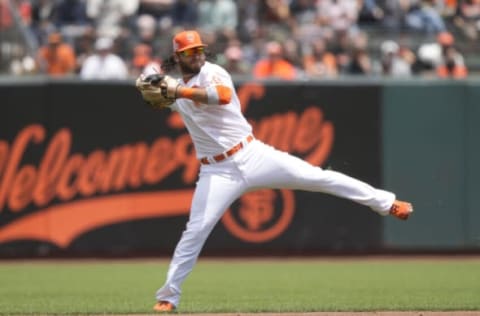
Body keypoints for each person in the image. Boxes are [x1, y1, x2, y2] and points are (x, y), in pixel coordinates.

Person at [135, 30, 413, 313]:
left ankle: (387, 203)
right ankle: (168, 297)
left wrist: (176, 90)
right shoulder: (176, 88)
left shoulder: (213, 72)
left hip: (251, 153)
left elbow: (221, 95)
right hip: (216, 171)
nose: (196, 55)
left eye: (199, 50)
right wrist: (153, 90)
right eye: (189, 52)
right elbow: (158, 99)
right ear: (178, 56)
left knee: (318, 177)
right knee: (195, 231)